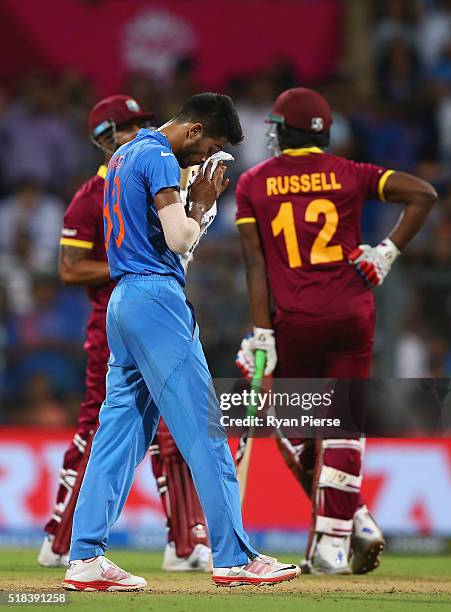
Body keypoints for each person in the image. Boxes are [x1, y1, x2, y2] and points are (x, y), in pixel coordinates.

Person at [63, 93, 301, 591]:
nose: (202, 159)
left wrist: (192, 207)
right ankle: (233, 557)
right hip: (155, 300)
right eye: (207, 147)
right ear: (193, 131)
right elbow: (178, 239)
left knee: (119, 433)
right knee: (205, 430)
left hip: (123, 301)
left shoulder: (125, 154)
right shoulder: (160, 156)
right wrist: (201, 205)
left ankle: (84, 555)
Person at [235, 87, 437, 574]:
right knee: (343, 428)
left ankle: (354, 521)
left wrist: (262, 333)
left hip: (295, 320)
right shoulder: (350, 173)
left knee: (291, 423)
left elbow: (256, 266)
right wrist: (385, 252)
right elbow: (424, 195)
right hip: (351, 313)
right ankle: (338, 539)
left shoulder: (254, 183)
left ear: (284, 130)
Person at [38, 95, 210, 572]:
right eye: (125, 126)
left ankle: (184, 541)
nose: (137, 130)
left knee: (159, 431)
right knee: (102, 430)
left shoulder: (152, 172)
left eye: (141, 122)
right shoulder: (90, 195)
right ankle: (62, 538)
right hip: (112, 322)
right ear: (102, 139)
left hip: (147, 311)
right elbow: (70, 270)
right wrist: (129, 263)